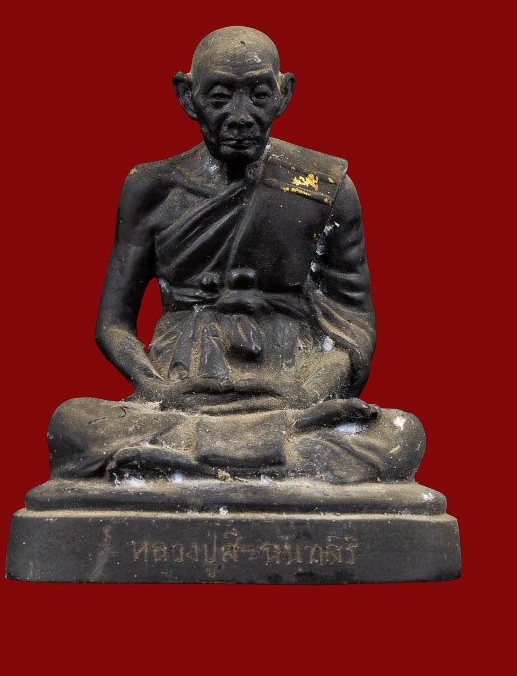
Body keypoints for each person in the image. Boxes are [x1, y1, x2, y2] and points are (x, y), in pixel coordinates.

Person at [48, 26, 424, 484]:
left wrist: (306, 394)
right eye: (221, 97)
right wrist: (156, 388)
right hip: (180, 391)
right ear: (187, 97)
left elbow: (353, 324)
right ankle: (269, 464)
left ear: (284, 94)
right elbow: (113, 324)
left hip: (288, 392)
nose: (241, 116)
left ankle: (189, 464)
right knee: (71, 423)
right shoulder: (151, 188)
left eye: (259, 95)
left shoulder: (324, 187)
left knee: (401, 435)